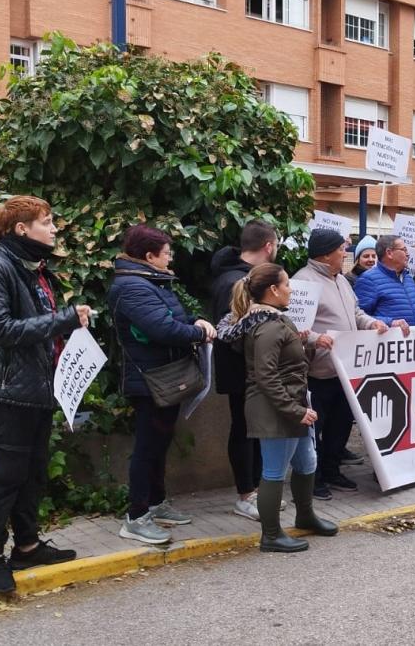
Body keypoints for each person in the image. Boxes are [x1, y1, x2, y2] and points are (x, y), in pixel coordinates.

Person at [0, 196, 90, 594]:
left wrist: (67, 329)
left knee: (33, 470)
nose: (54, 229)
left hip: (36, 388)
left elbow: (35, 325)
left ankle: (27, 546)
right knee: (5, 474)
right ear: (22, 229)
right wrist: (64, 319)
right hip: (7, 392)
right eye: (47, 222)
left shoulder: (33, 269)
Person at [109, 225, 217, 545]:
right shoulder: (132, 286)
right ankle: (136, 516)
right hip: (149, 379)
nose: (170, 258)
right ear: (149, 256)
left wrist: (195, 320)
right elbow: (162, 328)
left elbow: (175, 317)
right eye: (167, 253)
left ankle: (155, 503)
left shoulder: (152, 281)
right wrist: (199, 333)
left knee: (159, 444)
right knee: (147, 447)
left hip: (164, 376)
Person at [227, 263, 338, 552]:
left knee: (306, 462)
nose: (291, 289)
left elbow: (284, 364)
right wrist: (296, 410)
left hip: (288, 405)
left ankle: (305, 515)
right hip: (275, 409)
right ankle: (271, 534)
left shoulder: (274, 320)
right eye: (287, 284)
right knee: (274, 472)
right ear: (273, 290)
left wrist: (304, 346)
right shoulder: (267, 326)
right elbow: (265, 376)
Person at [292, 230, 391, 498]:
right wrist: (315, 339)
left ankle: (332, 469)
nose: (344, 254)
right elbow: (293, 326)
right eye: (340, 249)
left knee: (341, 425)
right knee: (317, 428)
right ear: (325, 254)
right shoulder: (302, 282)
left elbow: (356, 312)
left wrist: (371, 323)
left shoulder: (342, 282)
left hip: (345, 369)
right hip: (317, 371)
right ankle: (312, 479)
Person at [208, 220, 277, 521]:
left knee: (255, 429)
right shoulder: (234, 283)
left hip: (252, 368)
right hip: (242, 370)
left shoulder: (244, 278)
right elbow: (231, 330)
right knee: (244, 429)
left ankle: (256, 490)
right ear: (268, 246)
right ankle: (245, 494)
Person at [354, 235, 415, 330]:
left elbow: (411, 310)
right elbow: (360, 318)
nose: (408, 254)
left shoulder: (408, 278)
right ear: (389, 253)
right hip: (387, 341)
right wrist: (390, 322)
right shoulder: (368, 279)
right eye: (404, 250)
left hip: (412, 341)